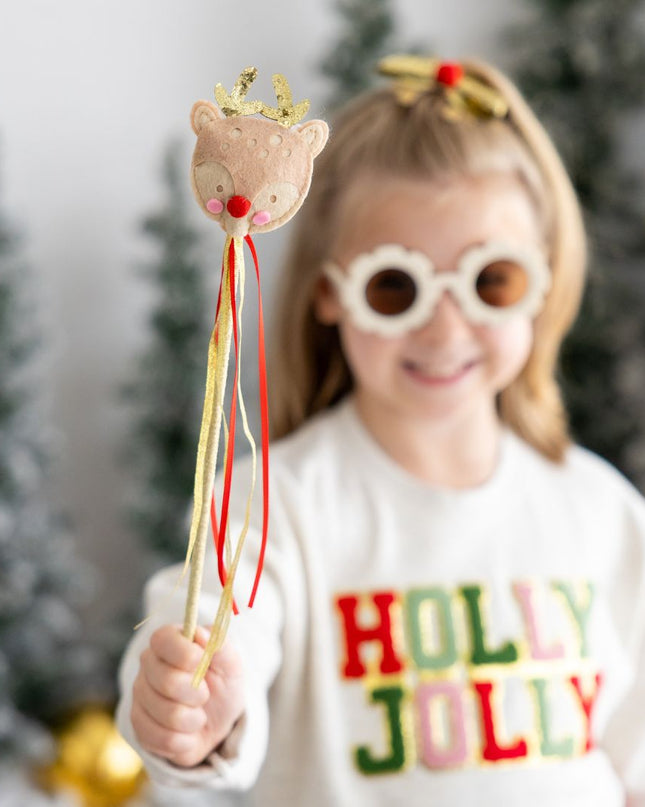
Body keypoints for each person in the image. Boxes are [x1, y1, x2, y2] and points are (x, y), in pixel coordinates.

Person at [116, 57, 645, 806]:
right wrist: (195, 705)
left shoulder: (600, 511)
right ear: (329, 293)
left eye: (490, 280)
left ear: (543, 280)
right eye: (395, 286)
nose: (445, 328)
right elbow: (211, 630)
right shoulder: (275, 506)